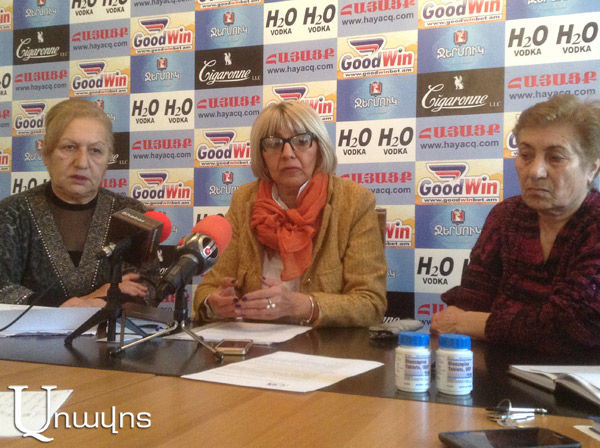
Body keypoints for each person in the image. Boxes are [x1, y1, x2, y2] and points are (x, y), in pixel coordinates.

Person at [431, 94, 600, 354]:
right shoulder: (506, 216)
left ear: (591, 169)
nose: (535, 171)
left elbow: (572, 326)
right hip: (495, 368)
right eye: (525, 155)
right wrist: (464, 319)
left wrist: (466, 323)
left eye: (555, 158)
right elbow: (470, 299)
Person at [194, 101, 387, 327]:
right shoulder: (244, 201)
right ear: (262, 154)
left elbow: (370, 304)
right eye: (274, 144)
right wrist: (214, 303)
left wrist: (300, 305)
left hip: (322, 345)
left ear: (319, 148)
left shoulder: (354, 201)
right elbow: (207, 290)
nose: (287, 154)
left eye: (301, 141)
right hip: (254, 340)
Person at [0, 99, 157, 307]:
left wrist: (101, 303)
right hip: (33, 330)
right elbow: (3, 289)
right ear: (46, 154)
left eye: (95, 151)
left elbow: (145, 289)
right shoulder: (12, 214)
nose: (82, 162)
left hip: (109, 329)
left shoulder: (130, 212)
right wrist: (79, 303)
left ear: (108, 159)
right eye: (69, 147)